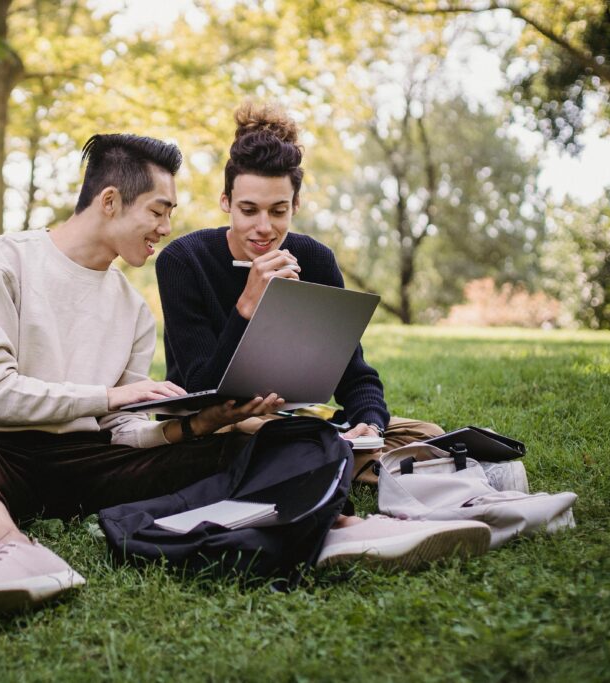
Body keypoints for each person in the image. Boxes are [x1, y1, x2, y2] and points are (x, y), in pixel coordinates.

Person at [0, 132, 489, 621]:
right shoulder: (2, 261)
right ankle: (13, 549)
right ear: (109, 202)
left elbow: (119, 432)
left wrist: (195, 424)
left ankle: (340, 524)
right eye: (158, 211)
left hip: (92, 463)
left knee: (262, 435)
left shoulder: (130, 309)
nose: (164, 227)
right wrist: (112, 394)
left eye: (169, 214)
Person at [155, 101, 445, 485]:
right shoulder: (183, 260)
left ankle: (358, 459)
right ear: (226, 203)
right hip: (221, 426)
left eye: (278, 211)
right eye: (248, 210)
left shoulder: (315, 260)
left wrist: (369, 425)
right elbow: (200, 389)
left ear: (295, 205)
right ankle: (388, 472)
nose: (264, 227)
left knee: (428, 435)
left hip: (298, 418)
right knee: (278, 440)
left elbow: (355, 375)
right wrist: (247, 306)